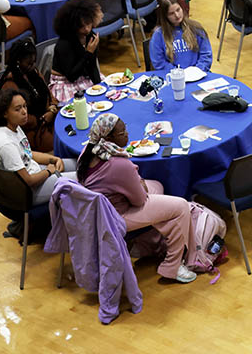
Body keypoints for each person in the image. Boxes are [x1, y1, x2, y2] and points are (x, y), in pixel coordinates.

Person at [77, 113, 198, 283]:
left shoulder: (88, 151)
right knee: (181, 207)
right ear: (109, 137)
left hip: (100, 211)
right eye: (122, 132)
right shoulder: (119, 164)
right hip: (116, 217)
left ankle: (147, 245)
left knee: (157, 186)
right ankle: (173, 266)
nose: (127, 134)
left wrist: (139, 184)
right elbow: (139, 200)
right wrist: (139, 183)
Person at [0, 89, 76, 204]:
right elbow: (27, 181)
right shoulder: (6, 144)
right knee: (82, 179)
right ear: (5, 113)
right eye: (18, 109)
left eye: (25, 106)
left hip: (36, 172)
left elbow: (27, 153)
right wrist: (49, 171)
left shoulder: (13, 125)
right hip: (27, 193)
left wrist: (53, 159)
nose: (24, 112)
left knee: (82, 165)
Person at [0, 39, 59, 152]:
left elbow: (47, 92)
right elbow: (16, 115)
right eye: (29, 63)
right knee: (57, 143)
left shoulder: (34, 73)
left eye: (34, 62)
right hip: (29, 130)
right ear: (18, 61)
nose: (33, 66)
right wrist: (41, 119)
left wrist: (52, 110)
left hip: (47, 118)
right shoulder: (10, 84)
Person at [49, 0, 102, 102]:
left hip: (83, 76)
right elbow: (72, 76)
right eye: (82, 26)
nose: (87, 29)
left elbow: (92, 67)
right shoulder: (64, 43)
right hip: (65, 82)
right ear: (73, 26)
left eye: (88, 24)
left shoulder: (90, 37)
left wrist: (100, 86)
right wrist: (88, 53)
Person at [149, 0, 212, 72]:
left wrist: (197, 71)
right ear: (165, 16)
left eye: (178, 10)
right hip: (173, 77)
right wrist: (179, 74)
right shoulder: (158, 35)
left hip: (198, 74)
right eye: (171, 13)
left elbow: (206, 56)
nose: (177, 15)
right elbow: (159, 63)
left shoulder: (196, 28)